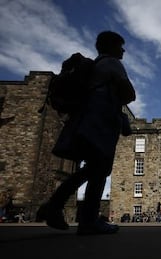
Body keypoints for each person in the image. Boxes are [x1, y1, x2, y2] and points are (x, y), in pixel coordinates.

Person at [37, 31, 136, 235]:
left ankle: (57, 207)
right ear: (111, 47)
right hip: (100, 123)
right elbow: (129, 94)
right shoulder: (112, 63)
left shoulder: (96, 65)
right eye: (120, 46)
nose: (123, 50)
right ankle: (84, 218)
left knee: (93, 169)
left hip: (86, 122)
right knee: (99, 169)